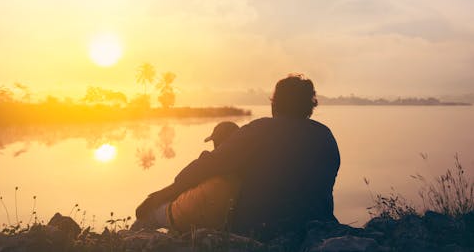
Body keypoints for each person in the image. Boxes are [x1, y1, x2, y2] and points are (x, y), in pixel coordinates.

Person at [136, 74, 340, 241]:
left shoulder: (261, 130)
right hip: (317, 222)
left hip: (260, 229)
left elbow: (206, 166)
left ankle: (130, 236)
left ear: (274, 105)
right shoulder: (326, 136)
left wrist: (162, 194)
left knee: (153, 212)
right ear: (310, 107)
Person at [131, 121, 241, 232]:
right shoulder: (242, 166)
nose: (214, 145)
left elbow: (182, 182)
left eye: (215, 141)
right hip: (216, 221)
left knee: (148, 216)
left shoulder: (212, 161)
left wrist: (153, 200)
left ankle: (125, 240)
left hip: (184, 215)